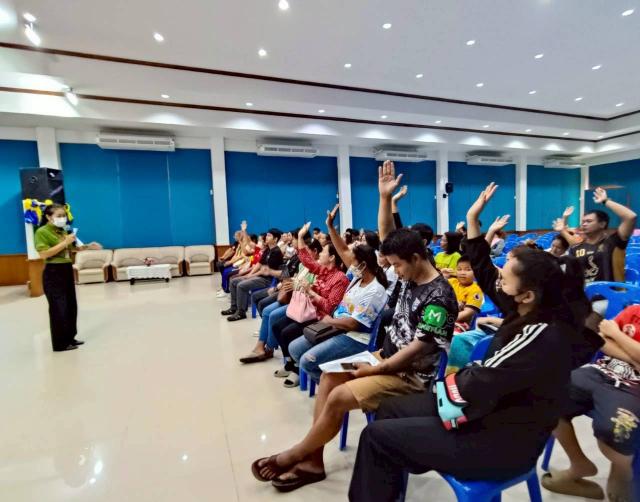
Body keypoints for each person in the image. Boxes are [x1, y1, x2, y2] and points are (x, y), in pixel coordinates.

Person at [348, 182, 594, 502]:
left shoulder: (541, 334)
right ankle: (392, 481)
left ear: (527, 294)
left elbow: (478, 382)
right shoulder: (526, 306)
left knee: (375, 435)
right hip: (487, 410)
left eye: (505, 276)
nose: (498, 278)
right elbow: (485, 270)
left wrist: (443, 391)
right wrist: (473, 220)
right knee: (390, 408)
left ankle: (393, 467)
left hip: (499, 441)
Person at [250, 160, 458, 493]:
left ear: (416, 258)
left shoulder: (440, 296)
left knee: (338, 397)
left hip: (410, 376)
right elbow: (388, 238)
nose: (394, 271)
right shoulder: (409, 272)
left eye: (397, 265)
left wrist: (375, 369)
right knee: (328, 378)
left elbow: (419, 350)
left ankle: (296, 454)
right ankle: (313, 461)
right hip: (383, 358)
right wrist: (384, 198)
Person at [542, 305, 640, 501]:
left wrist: (617, 335)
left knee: (617, 430)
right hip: (601, 371)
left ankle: (622, 472)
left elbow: (610, 334)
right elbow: (601, 339)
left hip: (633, 388)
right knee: (543, 395)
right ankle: (579, 463)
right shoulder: (633, 311)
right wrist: (634, 358)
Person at [273, 209, 379, 388]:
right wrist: (309, 234)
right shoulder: (350, 276)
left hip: (334, 323)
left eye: (323, 251)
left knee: (298, 347)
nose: (350, 266)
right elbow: (308, 260)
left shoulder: (346, 279)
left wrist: (312, 293)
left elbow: (334, 310)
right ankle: (325, 383)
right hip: (328, 319)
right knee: (287, 337)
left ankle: (331, 388)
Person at [239, 235, 337, 365]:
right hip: (291, 293)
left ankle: (268, 347)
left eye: (296, 239)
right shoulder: (297, 259)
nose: (294, 242)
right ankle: (265, 341)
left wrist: (283, 280)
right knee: (262, 304)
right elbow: (289, 274)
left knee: (270, 312)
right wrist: (282, 283)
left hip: (299, 299)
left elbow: (306, 285)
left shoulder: (315, 267)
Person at [35, 204, 102, 352]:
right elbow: (44, 254)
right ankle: (60, 344)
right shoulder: (42, 232)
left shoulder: (63, 230)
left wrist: (88, 246)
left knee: (71, 305)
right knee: (59, 307)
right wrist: (65, 242)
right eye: (59, 216)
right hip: (53, 272)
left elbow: (72, 248)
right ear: (48, 217)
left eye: (64, 215)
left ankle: (70, 337)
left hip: (66, 269)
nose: (63, 218)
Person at [558, 188, 637, 283]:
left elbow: (630, 217)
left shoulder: (614, 242)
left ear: (602, 224)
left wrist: (605, 201)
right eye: (583, 222)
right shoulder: (576, 247)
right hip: (584, 292)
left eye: (589, 221)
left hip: (611, 291)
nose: (584, 224)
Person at [222, 228, 283, 321]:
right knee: (233, 281)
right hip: (259, 277)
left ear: (275, 239)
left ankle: (241, 312)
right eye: (267, 235)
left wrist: (250, 276)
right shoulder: (268, 250)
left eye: (269, 236)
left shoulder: (276, 252)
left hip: (267, 280)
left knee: (241, 285)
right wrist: (250, 274)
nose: (266, 237)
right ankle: (234, 307)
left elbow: (264, 270)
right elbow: (259, 264)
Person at [448, 255, 484, 332]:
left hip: (460, 324)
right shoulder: (451, 281)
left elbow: (468, 312)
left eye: (468, 270)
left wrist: (447, 319)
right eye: (459, 269)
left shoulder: (475, 290)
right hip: (440, 316)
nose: (462, 273)